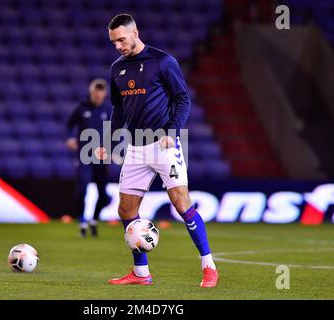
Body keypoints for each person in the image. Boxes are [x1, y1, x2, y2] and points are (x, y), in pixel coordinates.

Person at [95, 14, 219, 287]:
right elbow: (118, 111)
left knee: (181, 203)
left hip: (163, 144)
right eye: (113, 42)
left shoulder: (163, 61)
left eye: (121, 40)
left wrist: (172, 132)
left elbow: (182, 99)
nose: (118, 46)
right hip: (136, 148)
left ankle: (209, 266)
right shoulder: (117, 68)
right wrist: (107, 141)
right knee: (126, 211)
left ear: (135, 32)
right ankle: (141, 274)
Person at [66, 79, 112, 237]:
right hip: (84, 155)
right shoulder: (82, 108)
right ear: (91, 92)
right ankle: (82, 221)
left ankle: (94, 219)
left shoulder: (108, 110)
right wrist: (71, 138)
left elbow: (115, 131)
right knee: (82, 188)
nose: (98, 96)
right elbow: (69, 125)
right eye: (96, 93)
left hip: (102, 156)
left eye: (101, 93)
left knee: (104, 194)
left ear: (104, 94)